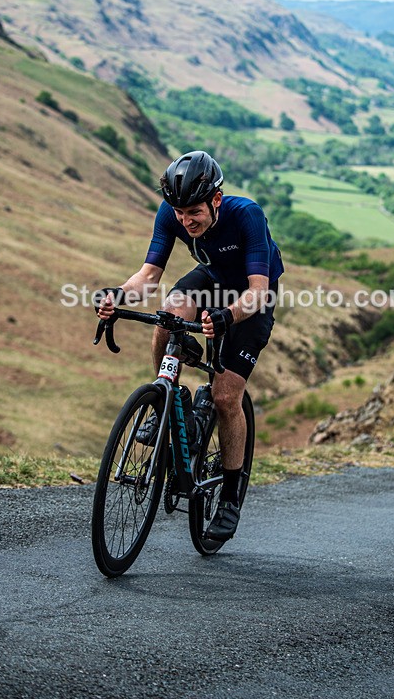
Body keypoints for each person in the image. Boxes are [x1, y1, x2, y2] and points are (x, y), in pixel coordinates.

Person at [97, 150, 283, 541]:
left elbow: (256, 292)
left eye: (194, 211)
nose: (185, 220)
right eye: (179, 212)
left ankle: (230, 499)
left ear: (216, 199)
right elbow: (148, 276)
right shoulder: (171, 213)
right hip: (211, 279)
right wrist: (118, 295)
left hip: (251, 297)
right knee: (168, 315)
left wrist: (225, 317)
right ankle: (170, 400)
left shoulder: (246, 215)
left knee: (226, 396)